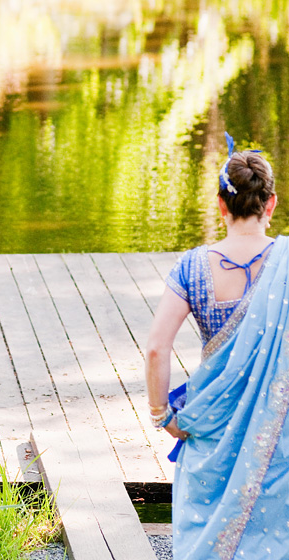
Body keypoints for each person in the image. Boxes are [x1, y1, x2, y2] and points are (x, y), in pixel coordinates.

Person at [145, 133, 289, 559]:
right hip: (277, 424)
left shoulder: (193, 266)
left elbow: (156, 348)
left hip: (212, 416)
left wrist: (163, 416)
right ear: (271, 203)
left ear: (222, 205)